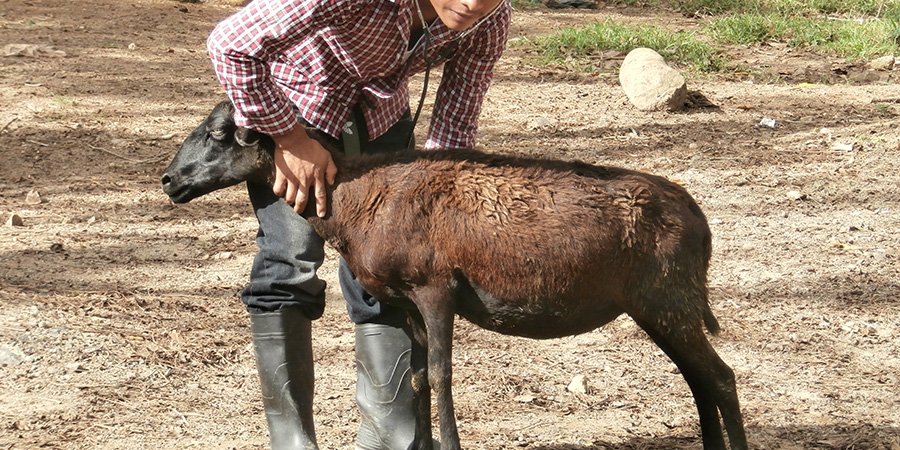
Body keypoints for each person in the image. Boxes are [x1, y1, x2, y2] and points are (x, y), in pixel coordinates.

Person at [206, 0, 511, 448]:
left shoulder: (490, 19)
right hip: (294, 111)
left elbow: (454, 126)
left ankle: (389, 432)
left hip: (379, 120)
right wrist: (290, 140)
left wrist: (424, 201)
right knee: (289, 261)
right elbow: (230, 44)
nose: (471, 2)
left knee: (391, 268)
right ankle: (291, 438)